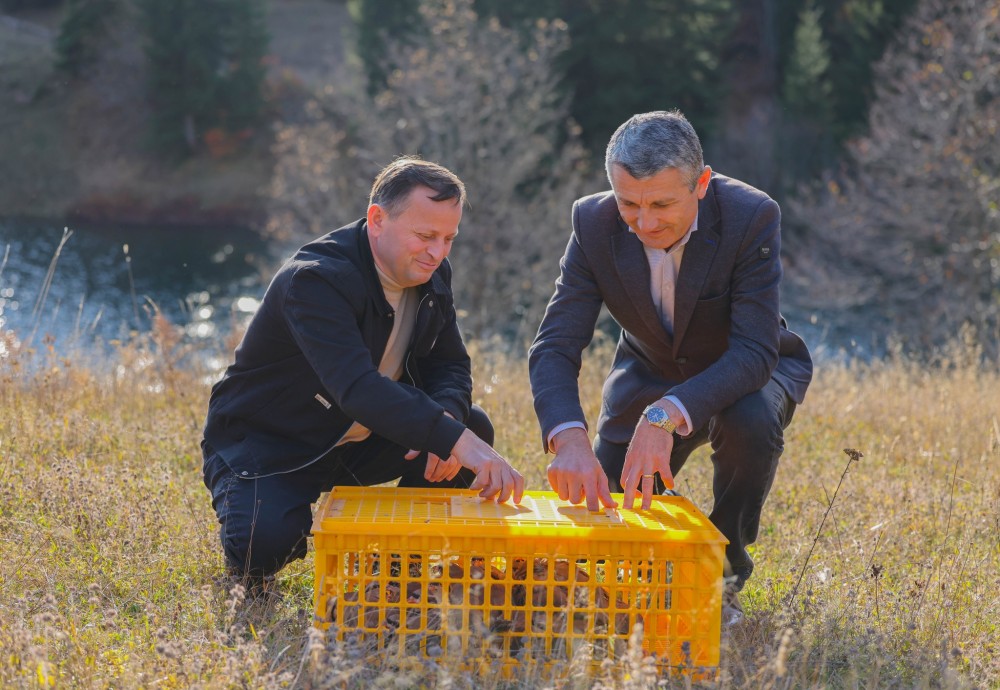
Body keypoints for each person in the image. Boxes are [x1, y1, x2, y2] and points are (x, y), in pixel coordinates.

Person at [528, 111, 813, 623]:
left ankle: (722, 576)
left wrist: (667, 414)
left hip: (747, 373)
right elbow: (555, 345)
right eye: (628, 204)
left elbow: (753, 350)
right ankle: (655, 570)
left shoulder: (750, 216)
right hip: (647, 371)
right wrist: (566, 438)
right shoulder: (592, 223)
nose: (645, 222)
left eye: (662, 204)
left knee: (749, 419)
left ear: (701, 183)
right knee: (607, 524)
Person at [203, 156, 524, 593]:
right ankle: (256, 541)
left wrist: (448, 422)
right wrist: (454, 439)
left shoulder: (430, 271)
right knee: (264, 545)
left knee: (469, 423)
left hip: (360, 441)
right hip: (274, 442)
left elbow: (448, 364)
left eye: (449, 238)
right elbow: (356, 388)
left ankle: (398, 569)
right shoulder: (315, 281)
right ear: (377, 219)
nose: (438, 252)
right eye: (426, 235)